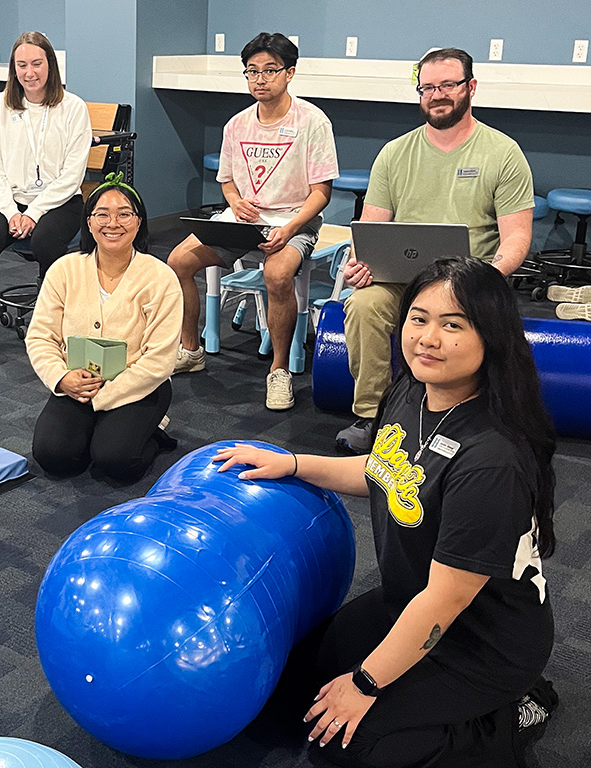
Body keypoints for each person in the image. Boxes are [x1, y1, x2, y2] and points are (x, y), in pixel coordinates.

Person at [214, 257, 557, 767]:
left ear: (492, 336)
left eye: (453, 325)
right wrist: (292, 462)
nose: (428, 338)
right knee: (290, 687)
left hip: (481, 641)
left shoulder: (492, 460)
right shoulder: (413, 391)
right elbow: (383, 472)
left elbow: (444, 602)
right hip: (408, 598)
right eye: (419, 319)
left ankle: (516, 713)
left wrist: (366, 682)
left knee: (346, 746)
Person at [336, 47, 534, 453]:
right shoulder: (395, 153)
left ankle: (456, 416)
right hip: (403, 281)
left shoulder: (502, 152)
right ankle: (374, 416)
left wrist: (491, 276)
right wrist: (359, 263)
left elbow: (516, 237)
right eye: (427, 87)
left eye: (447, 85)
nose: (437, 94)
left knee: (452, 319)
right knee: (362, 305)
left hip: (469, 284)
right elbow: (371, 226)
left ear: (470, 87)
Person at [168, 32, 338, 411]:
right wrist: (234, 202)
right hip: (242, 222)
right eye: (251, 72)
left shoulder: (312, 121)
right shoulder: (237, 125)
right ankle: (190, 348)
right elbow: (227, 180)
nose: (259, 79)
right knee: (178, 261)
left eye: (270, 71)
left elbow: (321, 193)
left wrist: (289, 229)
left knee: (277, 275)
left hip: (294, 220)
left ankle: (279, 372)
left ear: (289, 73)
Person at [25, 174, 182, 482]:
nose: (113, 223)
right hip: (77, 383)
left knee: (115, 461)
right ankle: (97, 431)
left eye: (124, 214)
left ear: (139, 222)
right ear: (89, 221)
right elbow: (41, 336)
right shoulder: (65, 269)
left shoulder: (160, 278)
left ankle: (154, 433)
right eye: (102, 214)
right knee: (53, 457)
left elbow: (160, 359)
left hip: (139, 386)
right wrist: (62, 378)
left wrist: (101, 399)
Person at [0, 31, 93, 357]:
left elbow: (72, 175)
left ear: (50, 65)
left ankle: (54, 325)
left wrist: (33, 213)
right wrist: (11, 211)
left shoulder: (73, 108)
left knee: (46, 242)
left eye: (37, 64)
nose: (30, 73)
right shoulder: (1, 106)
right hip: (9, 202)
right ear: (13, 70)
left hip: (61, 201)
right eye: (22, 65)